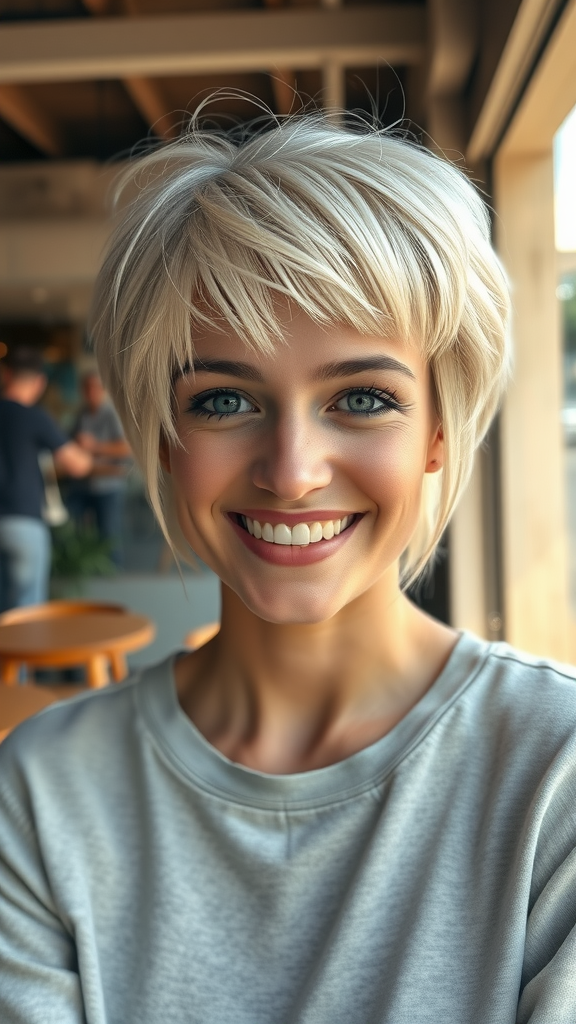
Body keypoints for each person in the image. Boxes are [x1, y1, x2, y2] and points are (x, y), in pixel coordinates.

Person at [0, 111, 575, 1024]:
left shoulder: (555, 770)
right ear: (159, 431)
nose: (293, 470)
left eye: (361, 398)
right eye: (224, 399)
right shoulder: (43, 794)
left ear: (436, 431)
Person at [0, 346, 92, 612]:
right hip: (23, 521)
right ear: (40, 382)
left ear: (6, 375)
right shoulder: (35, 418)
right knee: (25, 611)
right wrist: (88, 448)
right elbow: (78, 465)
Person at [68, 370, 131, 566]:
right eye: (87, 388)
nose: (91, 392)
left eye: (95, 387)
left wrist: (95, 446)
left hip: (108, 485)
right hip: (83, 483)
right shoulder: (81, 415)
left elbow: (126, 449)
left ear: (103, 389)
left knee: (108, 534)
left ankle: (112, 580)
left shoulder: (111, 413)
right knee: (72, 529)